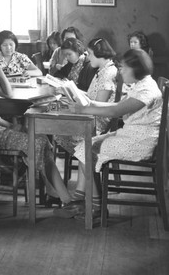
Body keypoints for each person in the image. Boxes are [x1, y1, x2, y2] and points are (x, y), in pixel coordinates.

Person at [0, 37, 71, 205]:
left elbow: (9, 93)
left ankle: (57, 194)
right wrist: (10, 125)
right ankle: (61, 197)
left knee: (42, 141)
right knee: (38, 142)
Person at [55, 49, 162, 220]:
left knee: (85, 151)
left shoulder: (146, 91)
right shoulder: (143, 84)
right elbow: (119, 105)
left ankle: (96, 208)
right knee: (84, 148)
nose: (121, 71)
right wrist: (90, 102)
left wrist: (83, 109)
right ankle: (82, 201)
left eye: (124, 68)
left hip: (140, 142)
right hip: (132, 135)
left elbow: (115, 111)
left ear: (136, 69)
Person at [55, 38, 118, 155]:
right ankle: (85, 161)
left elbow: (99, 106)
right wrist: (70, 90)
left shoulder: (108, 72)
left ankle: (87, 161)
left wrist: (79, 106)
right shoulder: (101, 70)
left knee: (59, 132)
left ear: (99, 53)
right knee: (58, 130)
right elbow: (90, 96)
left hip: (96, 124)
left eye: (90, 54)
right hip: (90, 118)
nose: (88, 57)